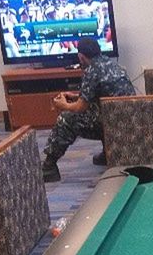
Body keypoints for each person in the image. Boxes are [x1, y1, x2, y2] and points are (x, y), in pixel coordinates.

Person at [42, 38, 135, 182]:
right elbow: (98, 95)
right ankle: (107, 153)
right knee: (101, 109)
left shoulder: (92, 70)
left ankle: (49, 167)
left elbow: (80, 107)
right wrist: (75, 96)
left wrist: (63, 105)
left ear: (81, 56)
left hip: (110, 123)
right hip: (128, 121)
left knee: (66, 119)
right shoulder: (113, 65)